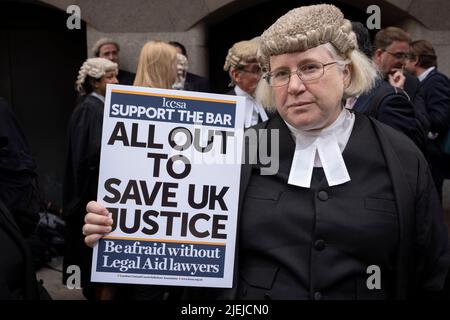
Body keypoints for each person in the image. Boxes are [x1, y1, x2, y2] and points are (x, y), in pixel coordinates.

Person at [82, 4, 450, 299]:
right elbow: (177, 242)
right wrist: (121, 228)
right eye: (280, 73)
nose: (295, 86)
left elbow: (432, 269)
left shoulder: (398, 155)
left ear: (346, 72)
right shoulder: (249, 147)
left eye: (309, 67)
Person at [62, 57, 119, 299]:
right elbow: (89, 157)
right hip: (90, 199)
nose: (116, 81)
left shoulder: (97, 107)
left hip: (93, 198)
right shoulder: (90, 110)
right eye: (110, 77)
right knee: (92, 265)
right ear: (95, 83)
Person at [352, 26, 428, 152]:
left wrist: (401, 94)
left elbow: (422, 130)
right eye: (399, 55)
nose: (403, 62)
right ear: (379, 54)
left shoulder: (411, 83)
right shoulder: (360, 79)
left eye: (406, 56)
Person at [405, 40, 450, 200]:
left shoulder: (436, 81)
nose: (403, 63)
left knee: (431, 206)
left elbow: (440, 119)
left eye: (405, 58)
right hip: (428, 155)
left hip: (433, 157)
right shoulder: (425, 81)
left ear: (415, 60)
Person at [223, 39, 269, 128]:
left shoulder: (273, 103)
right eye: (256, 70)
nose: (264, 75)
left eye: (264, 69)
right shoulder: (222, 108)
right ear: (236, 75)